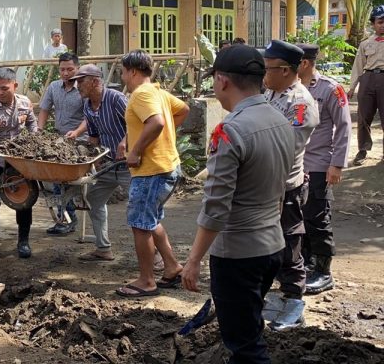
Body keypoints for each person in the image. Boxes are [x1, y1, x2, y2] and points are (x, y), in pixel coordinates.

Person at [182, 45, 295, 364]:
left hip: (238, 254)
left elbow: (216, 206)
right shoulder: (280, 119)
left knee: (246, 348)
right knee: (249, 328)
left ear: (222, 81)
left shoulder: (230, 130)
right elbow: (281, 188)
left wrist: (192, 260)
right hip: (272, 245)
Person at [115, 50, 188, 298]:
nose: (122, 77)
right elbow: (183, 110)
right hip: (166, 166)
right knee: (150, 220)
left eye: (123, 72)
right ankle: (172, 267)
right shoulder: (158, 92)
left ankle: (146, 280)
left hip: (151, 171)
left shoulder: (141, 94)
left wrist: (136, 151)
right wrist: (131, 140)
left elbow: (156, 122)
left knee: (140, 226)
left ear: (133, 71)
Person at [263, 40, 319, 323]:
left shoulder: (299, 103)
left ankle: (294, 301)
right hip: (266, 185)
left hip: (285, 186)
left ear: (285, 70)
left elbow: (286, 148)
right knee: (269, 242)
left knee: (289, 241)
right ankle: (279, 294)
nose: (264, 74)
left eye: (268, 69)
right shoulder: (273, 93)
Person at [297, 43, 352, 295]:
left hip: (319, 163)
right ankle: (307, 264)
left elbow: (343, 128)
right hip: (296, 164)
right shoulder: (291, 89)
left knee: (318, 217)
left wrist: (336, 164)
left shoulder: (330, 89)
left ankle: (323, 271)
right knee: (299, 216)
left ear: (305, 63)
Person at [67, 64, 131, 262]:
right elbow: (94, 136)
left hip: (130, 165)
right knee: (95, 199)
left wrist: (124, 142)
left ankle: (156, 255)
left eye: (80, 81)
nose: (77, 85)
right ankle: (103, 248)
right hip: (109, 164)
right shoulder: (88, 105)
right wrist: (84, 152)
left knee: (139, 207)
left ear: (94, 81)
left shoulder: (115, 98)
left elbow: (138, 123)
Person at [0, 67, 38, 262]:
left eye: (4, 88)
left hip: (20, 162)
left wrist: (32, 147)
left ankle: (23, 242)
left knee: (25, 202)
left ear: (15, 85)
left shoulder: (25, 103)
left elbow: (32, 125)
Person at [37, 52, 86, 235]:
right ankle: (64, 218)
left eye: (70, 69)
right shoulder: (54, 87)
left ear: (77, 69)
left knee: (67, 181)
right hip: (59, 139)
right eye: (62, 69)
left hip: (80, 140)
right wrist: (39, 131)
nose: (65, 73)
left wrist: (78, 132)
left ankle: (68, 218)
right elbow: (44, 110)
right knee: (56, 180)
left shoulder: (83, 89)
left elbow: (89, 117)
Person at [348, 4, 384, 166]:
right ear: (373, 24)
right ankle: (363, 149)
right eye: (380, 22)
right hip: (368, 79)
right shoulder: (365, 44)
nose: (382, 25)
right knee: (363, 117)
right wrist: (351, 87)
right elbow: (358, 66)